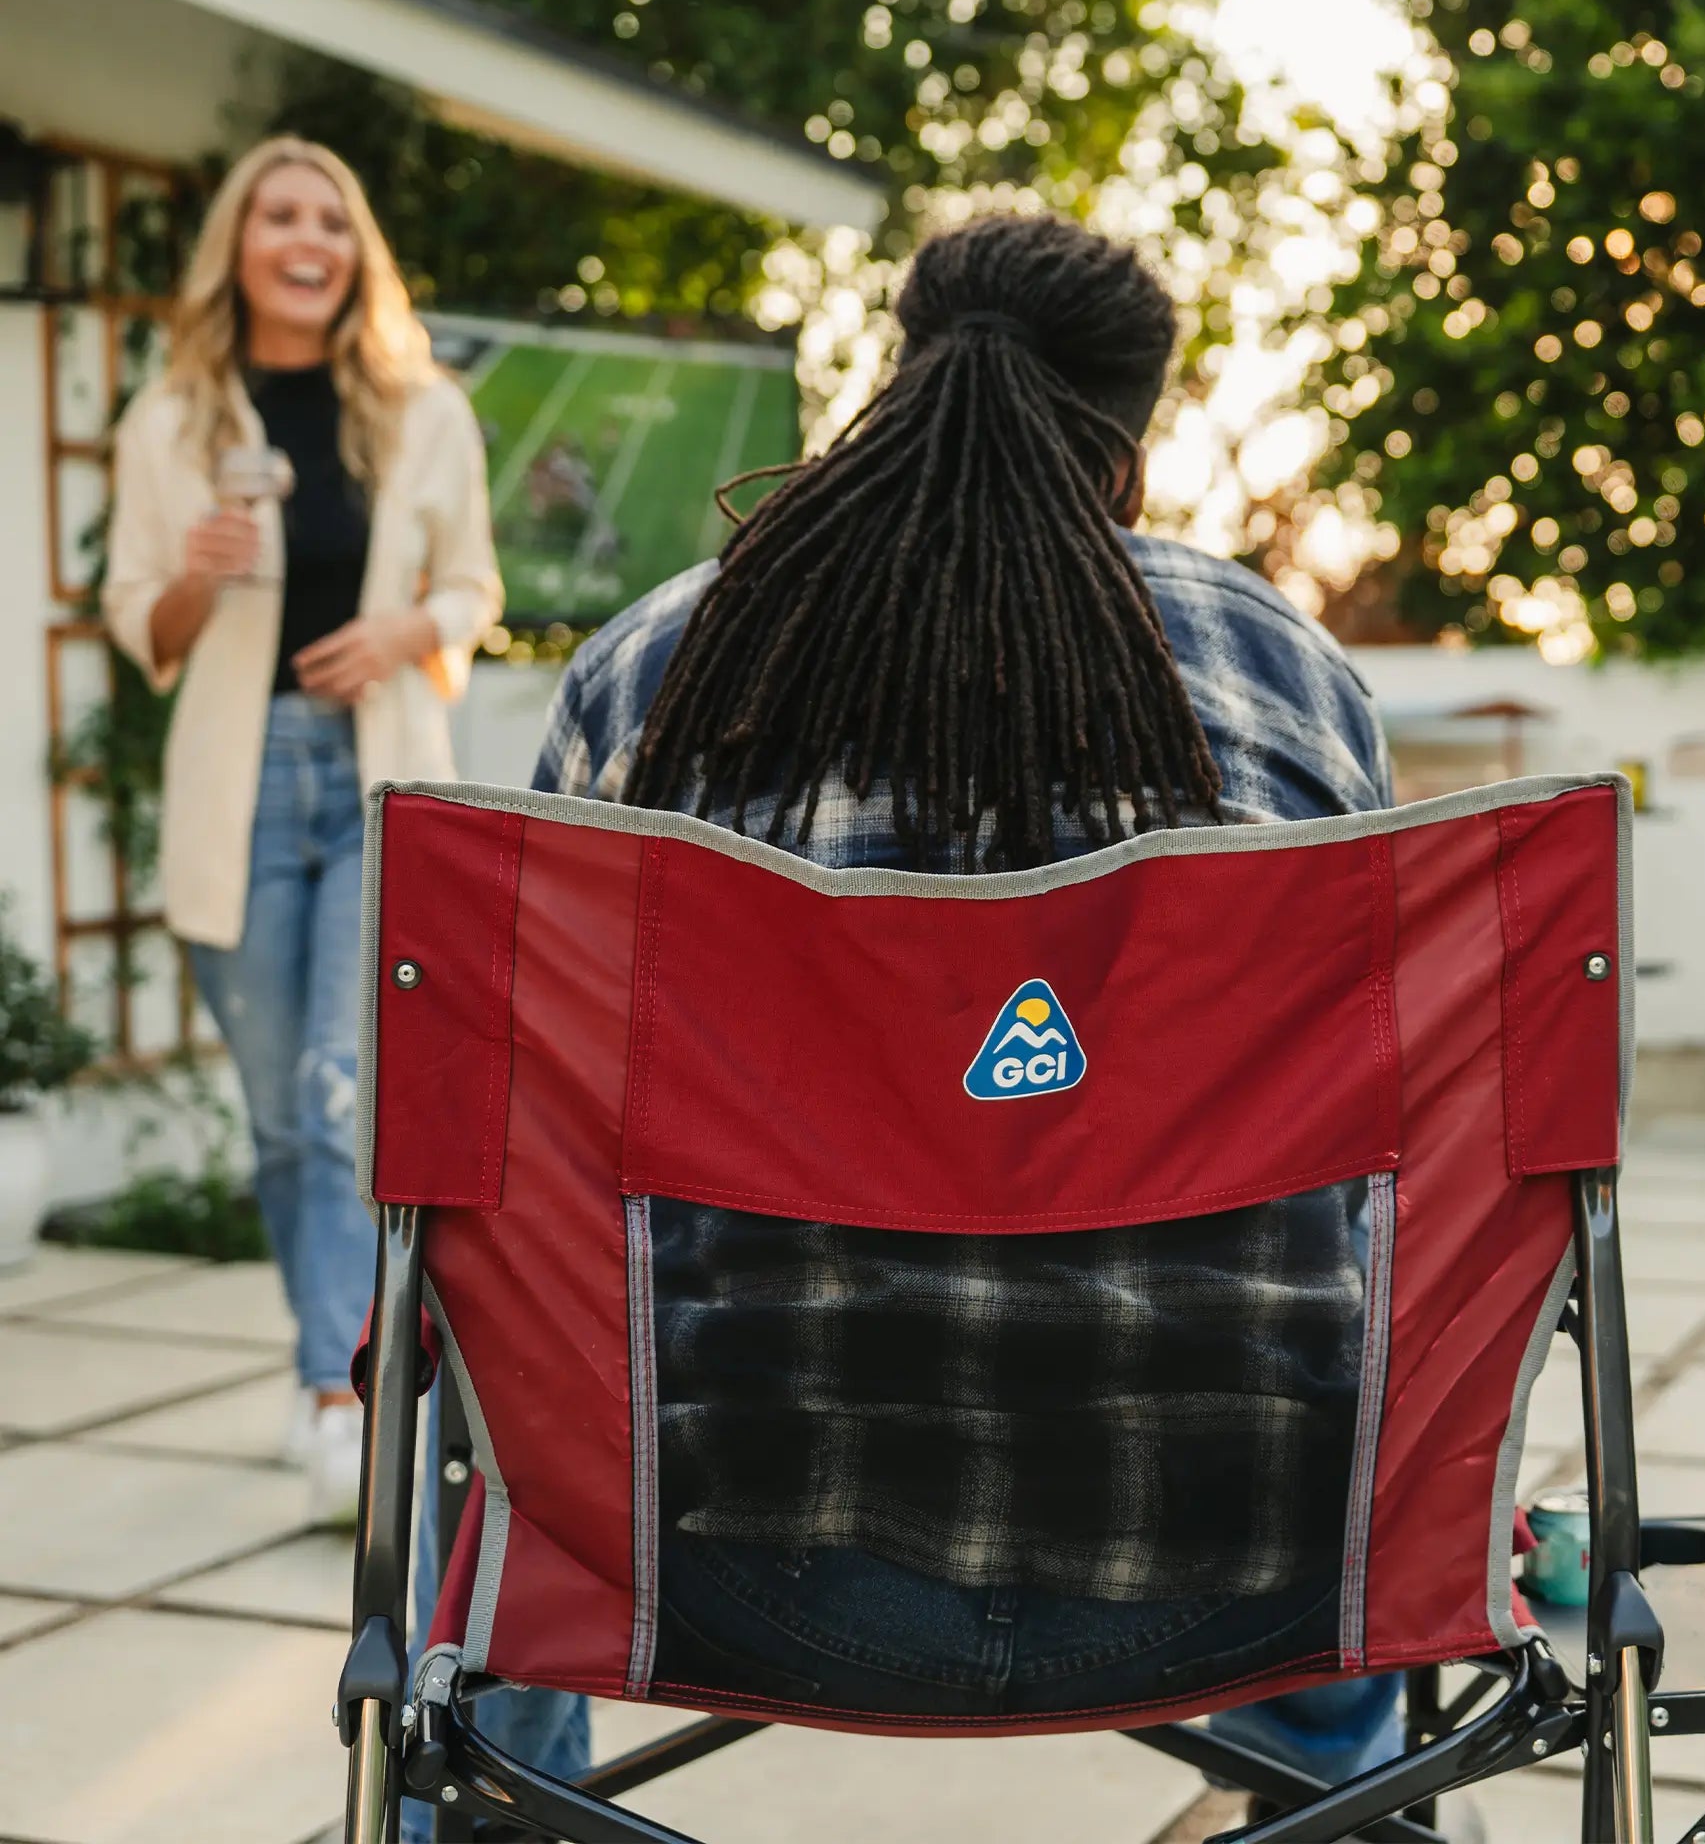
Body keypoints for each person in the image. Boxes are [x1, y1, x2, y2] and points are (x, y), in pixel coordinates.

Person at [480, 214, 1438, 1822]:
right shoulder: (1291, 673)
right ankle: (1315, 1796)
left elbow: (528, 1150)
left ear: (894, 386)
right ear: (1132, 449)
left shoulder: (651, 669)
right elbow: (1367, 1149)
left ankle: (501, 1806)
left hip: (729, 1553)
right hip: (1250, 1566)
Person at [104, 137, 503, 1519]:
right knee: (282, 1119)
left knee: (346, 1091)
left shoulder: (423, 412)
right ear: (241, 243)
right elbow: (137, 625)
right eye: (280, 215)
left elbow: (473, 588)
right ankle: (312, 1364)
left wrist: (406, 629)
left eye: (330, 219)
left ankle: (351, 1394)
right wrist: (200, 577)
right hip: (244, 785)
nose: (307, 239)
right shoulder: (171, 422)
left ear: (356, 252)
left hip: (380, 771)